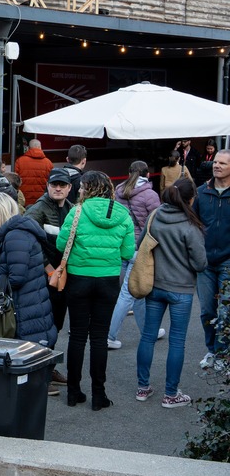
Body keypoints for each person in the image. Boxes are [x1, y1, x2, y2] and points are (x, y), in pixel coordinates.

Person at [56, 170, 135, 410]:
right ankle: (99, 395)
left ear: (89, 189)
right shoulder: (123, 214)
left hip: (78, 279)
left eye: (81, 187)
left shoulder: (77, 212)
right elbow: (127, 252)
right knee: (99, 338)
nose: (79, 190)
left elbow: (61, 244)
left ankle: (73, 392)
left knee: (77, 336)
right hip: (108, 280)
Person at [135, 179, 207, 407]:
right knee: (177, 342)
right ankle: (171, 394)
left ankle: (143, 388)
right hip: (181, 289)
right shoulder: (190, 225)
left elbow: (141, 244)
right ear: (190, 199)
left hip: (154, 285)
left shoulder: (155, 216)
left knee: (148, 336)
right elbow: (200, 264)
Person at [0, 193, 58, 349]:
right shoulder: (20, 232)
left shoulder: (15, 236)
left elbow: (16, 279)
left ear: (0, 211)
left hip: (26, 313)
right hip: (33, 309)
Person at [25, 168, 76, 385]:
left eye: (62, 185)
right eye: (54, 184)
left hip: (63, 277)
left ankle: (49, 369)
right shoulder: (38, 209)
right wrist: (48, 268)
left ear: (69, 188)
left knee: (56, 325)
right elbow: (29, 241)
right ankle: (40, 376)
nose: (58, 188)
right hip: (43, 277)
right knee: (43, 327)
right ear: (47, 186)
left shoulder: (73, 209)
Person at [108, 161, 162, 350]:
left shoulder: (119, 190)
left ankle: (149, 331)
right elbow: (157, 222)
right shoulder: (150, 195)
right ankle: (110, 335)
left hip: (121, 245)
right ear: (148, 174)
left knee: (137, 293)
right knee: (128, 294)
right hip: (139, 248)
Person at [195, 148, 230, 370]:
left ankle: (222, 354)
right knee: (207, 310)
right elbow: (193, 224)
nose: (216, 166)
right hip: (205, 262)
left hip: (228, 262)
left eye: (223, 163)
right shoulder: (201, 192)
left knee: (226, 312)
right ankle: (211, 350)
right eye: (216, 162)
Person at [14, 139, 54, 205]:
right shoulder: (48, 163)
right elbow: (52, 181)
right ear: (40, 147)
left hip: (24, 199)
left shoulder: (20, 161)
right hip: (42, 200)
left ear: (28, 148)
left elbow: (15, 180)